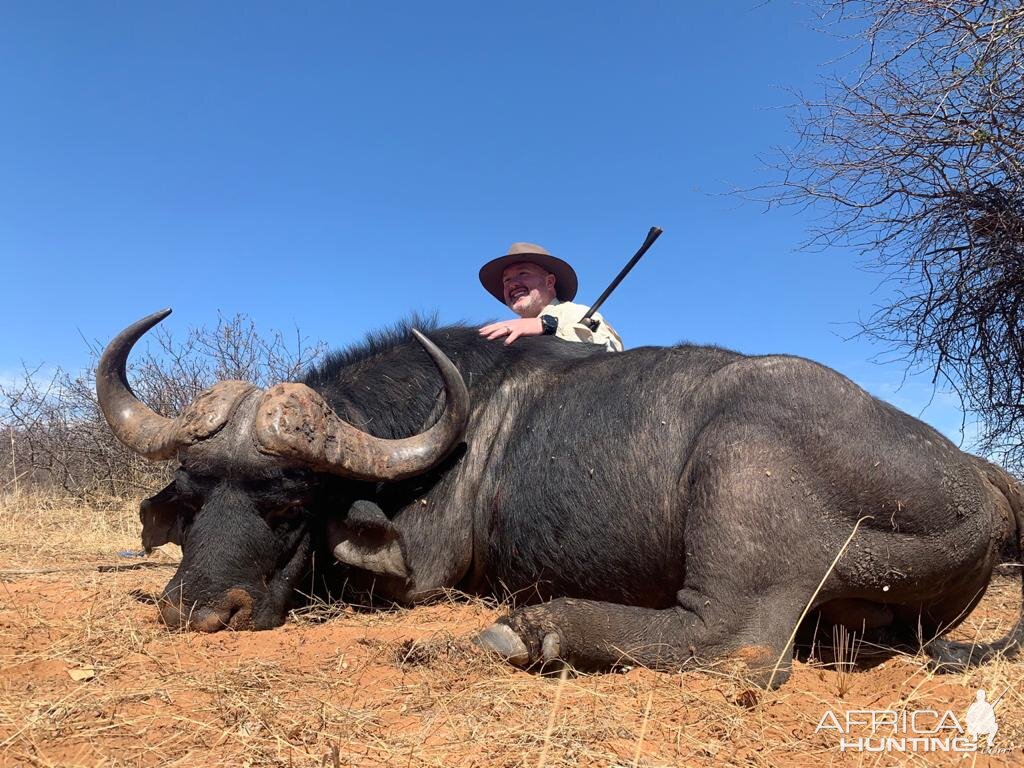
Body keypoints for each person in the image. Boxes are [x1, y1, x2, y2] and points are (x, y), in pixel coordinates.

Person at [477, 242, 624, 351]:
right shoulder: (507, 335)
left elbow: (611, 353)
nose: (512, 284)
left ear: (549, 282)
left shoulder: (577, 313)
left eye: (523, 274)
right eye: (506, 280)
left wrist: (546, 325)